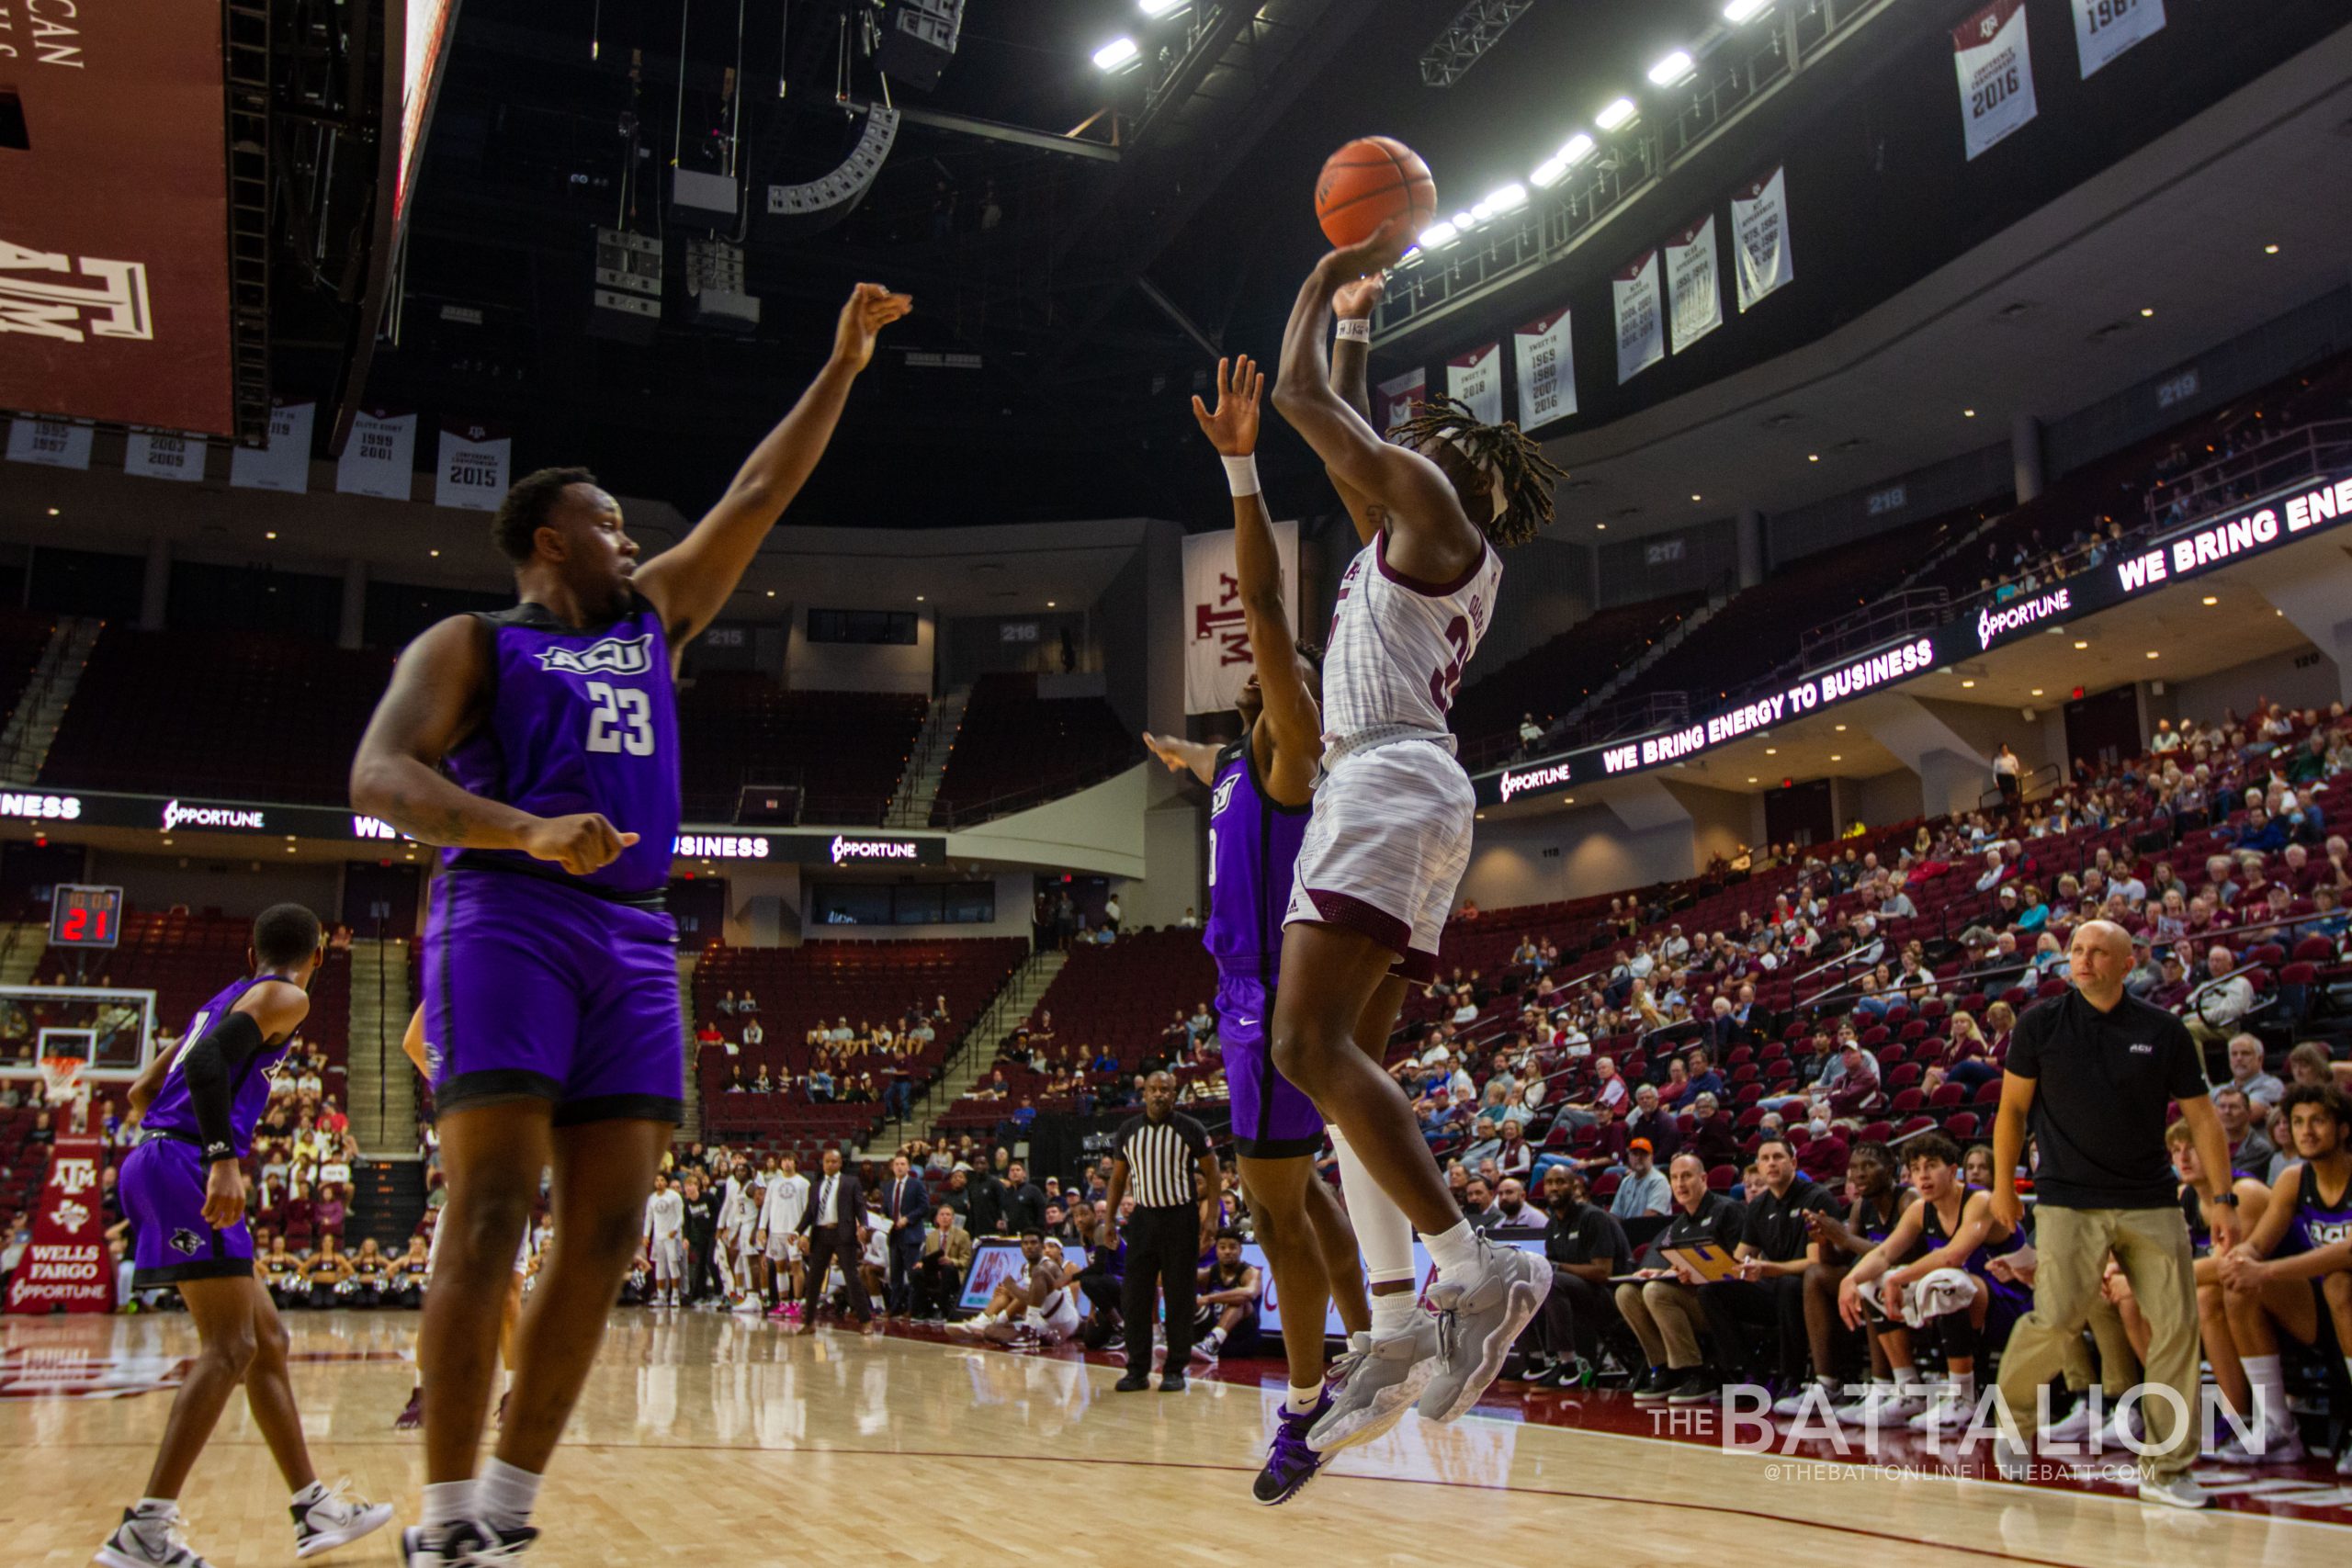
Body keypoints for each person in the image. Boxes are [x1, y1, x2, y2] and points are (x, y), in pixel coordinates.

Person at [349, 281, 910, 1566]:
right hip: (508, 914)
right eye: (604, 522)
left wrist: (841, 367)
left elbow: (756, 495)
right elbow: (380, 779)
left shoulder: (654, 621)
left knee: (605, 1230)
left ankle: (503, 1497)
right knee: (491, 1211)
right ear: (547, 537)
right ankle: (439, 1519)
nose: (626, 536)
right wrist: (522, 826)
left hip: (636, 934)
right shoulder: (472, 642)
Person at [1267, 219, 1560, 1450]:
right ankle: (1403, 1322)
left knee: (1300, 1043)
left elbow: (1296, 402)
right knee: (1346, 1082)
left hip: (1385, 782)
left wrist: (1320, 272)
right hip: (1403, 786)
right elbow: (1337, 434)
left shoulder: (1435, 500)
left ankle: (1474, 1262)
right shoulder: (1422, 526)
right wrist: (1356, 322)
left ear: (1441, 463)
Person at [1138, 352, 1370, 1503]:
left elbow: (1269, 622)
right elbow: (1195, 757)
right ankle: (1369, 1349)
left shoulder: (1285, 761)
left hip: (1270, 993)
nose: (1290, 695)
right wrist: (1171, 751)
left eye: (1297, 689)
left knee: (1277, 1208)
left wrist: (1241, 468)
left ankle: (1306, 1401)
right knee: (1301, 1193)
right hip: (1242, 997)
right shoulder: (1230, 764)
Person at [101, 903, 395, 1567]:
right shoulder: (286, 995)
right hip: (184, 1162)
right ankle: (145, 1531)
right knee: (231, 1347)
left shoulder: (223, 999)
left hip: (154, 1158)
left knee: (266, 1339)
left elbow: (144, 1089)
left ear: (248, 949)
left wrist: (173, 1143)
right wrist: (219, 1156)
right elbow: (207, 1065)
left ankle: (312, 1506)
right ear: (318, 955)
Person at [1991, 919, 2240, 1509]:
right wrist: (2004, 1187)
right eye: (2077, 949)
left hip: (2151, 1200)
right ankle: (2015, 1416)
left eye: (2099, 951)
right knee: (2055, 1321)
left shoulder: (2163, 1029)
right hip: (2067, 1200)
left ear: (2129, 964)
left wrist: (2223, 1199)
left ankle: (2168, 1466)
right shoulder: (2039, 1025)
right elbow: (2010, 1113)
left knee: (2178, 1324)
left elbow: (2203, 1118)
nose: (2083, 959)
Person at [1837, 1134, 2030, 1433]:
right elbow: (1885, 1252)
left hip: (2009, 1300)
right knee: (1872, 1282)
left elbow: (1953, 1256)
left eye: (1931, 1166)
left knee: (1944, 1280)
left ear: (1953, 1171)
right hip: (1959, 1303)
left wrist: (1899, 1278)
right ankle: (1909, 1391)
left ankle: (1963, 1397)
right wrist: (1850, 1280)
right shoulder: (1920, 1209)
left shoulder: (1980, 1200)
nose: (1923, 1175)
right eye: (1915, 1168)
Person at [395, 1008, 529, 1432]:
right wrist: (443, 975)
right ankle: (423, 1393)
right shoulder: (456, 1076)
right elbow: (413, 1041)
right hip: (464, 1201)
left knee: (509, 1301)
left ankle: (515, 1395)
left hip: (509, 1199)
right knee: (440, 1302)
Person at [2216, 1082, 2352, 1469]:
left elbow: (2346, 1251)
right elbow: (2258, 1245)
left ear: (2343, 1129)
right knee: (2239, 1289)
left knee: (2342, 1281)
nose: (2306, 1131)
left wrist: (2266, 1270)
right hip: (2323, 1310)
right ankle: (2277, 1428)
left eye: (2319, 1121)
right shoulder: (2293, 1179)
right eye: (2298, 1122)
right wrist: (2240, 1258)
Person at [1105, 1071, 1219, 1394]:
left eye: (1165, 1090)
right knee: (1134, 1297)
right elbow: (1116, 1179)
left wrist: (1210, 1218)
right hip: (1142, 1219)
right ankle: (1137, 1370)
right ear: (1144, 1094)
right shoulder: (1128, 1130)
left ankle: (1174, 1369)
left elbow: (1212, 1174)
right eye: (1154, 1089)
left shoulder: (1190, 1128)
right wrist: (1110, 1219)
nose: (1159, 1095)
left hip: (1181, 1218)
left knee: (1179, 1296)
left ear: (1175, 1094)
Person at [1617, 1153, 1747, 1405]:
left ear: (1703, 1178)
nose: (1680, 1184)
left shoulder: (1728, 1210)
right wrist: (1660, 1272)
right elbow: (1679, 1267)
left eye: (1686, 1176)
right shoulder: (1678, 1225)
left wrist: (1686, 1274)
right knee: (1627, 1293)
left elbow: (1738, 1266)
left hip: (1722, 1302)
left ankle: (1695, 1371)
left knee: (1656, 1292)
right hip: (1691, 1296)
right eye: (1674, 1178)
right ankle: (1664, 1368)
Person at [792, 1147, 874, 1334]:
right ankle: (809, 1322)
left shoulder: (850, 1182)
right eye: (827, 1161)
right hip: (821, 1234)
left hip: (842, 1232)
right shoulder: (816, 1186)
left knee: (851, 1276)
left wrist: (863, 1225)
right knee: (813, 1279)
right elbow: (808, 1214)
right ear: (823, 1163)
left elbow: (860, 1207)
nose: (830, 1164)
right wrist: (797, 1232)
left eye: (834, 1161)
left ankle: (866, 1320)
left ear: (840, 1163)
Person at [1193, 1230, 1265, 1362]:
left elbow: (1250, 1293)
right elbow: (1169, 1279)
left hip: (1242, 1340)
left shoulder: (1251, 1273)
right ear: (1216, 1250)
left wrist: (1209, 1298)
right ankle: (1176, 1340)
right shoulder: (1208, 1272)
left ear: (1241, 1250)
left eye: (1232, 1247)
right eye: (1222, 1247)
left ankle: (1213, 1341)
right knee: (1186, 1297)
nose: (1227, 1251)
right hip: (1213, 1339)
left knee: (1240, 1300)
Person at [876, 1153, 928, 1319]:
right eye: (897, 1164)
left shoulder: (916, 1184)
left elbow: (924, 1207)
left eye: (903, 1164)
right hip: (894, 1235)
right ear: (893, 1167)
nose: (899, 1167)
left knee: (912, 1275)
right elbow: (886, 1207)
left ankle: (912, 1308)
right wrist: (883, 1217)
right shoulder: (888, 1185)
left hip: (911, 1235)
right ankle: (895, 1306)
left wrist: (908, 1218)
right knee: (895, 1275)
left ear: (908, 1167)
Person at [913, 1204, 972, 1320]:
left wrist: (951, 1261)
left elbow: (966, 1260)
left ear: (953, 1219)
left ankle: (942, 1308)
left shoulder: (963, 1235)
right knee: (916, 1272)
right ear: (937, 1219)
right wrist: (922, 1263)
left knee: (947, 1268)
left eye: (948, 1215)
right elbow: (928, 1257)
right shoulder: (931, 1236)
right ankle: (924, 1309)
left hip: (954, 1272)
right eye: (942, 1215)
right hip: (935, 1271)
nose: (945, 1217)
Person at [640, 1171, 684, 1309]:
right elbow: (649, 1218)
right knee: (659, 1266)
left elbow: (681, 1216)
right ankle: (661, 1296)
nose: (659, 1183)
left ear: (666, 1182)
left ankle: (675, 1295)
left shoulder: (674, 1196)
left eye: (662, 1180)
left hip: (671, 1236)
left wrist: (675, 1229)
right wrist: (646, 1235)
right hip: (658, 1237)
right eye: (657, 1180)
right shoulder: (651, 1199)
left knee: (673, 1265)